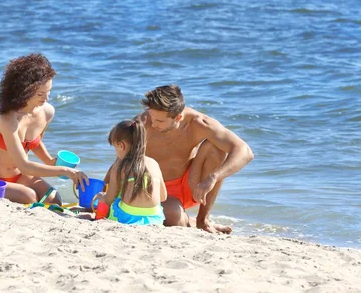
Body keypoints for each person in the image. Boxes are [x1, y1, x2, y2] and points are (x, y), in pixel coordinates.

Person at [0, 53, 88, 204]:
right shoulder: (7, 119)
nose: (46, 99)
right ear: (24, 90)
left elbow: (34, 141)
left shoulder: (47, 112)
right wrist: (65, 171)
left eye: (48, 92)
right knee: (29, 197)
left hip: (18, 176)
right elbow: (24, 166)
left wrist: (50, 161)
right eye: (40, 94)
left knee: (54, 200)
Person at [137, 84, 253, 233]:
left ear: (178, 117)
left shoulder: (198, 123)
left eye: (159, 121)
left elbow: (245, 151)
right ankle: (189, 220)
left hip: (191, 185)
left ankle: (203, 220)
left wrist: (212, 178)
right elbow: (122, 160)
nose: (153, 123)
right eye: (152, 116)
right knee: (175, 219)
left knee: (215, 147)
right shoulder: (143, 123)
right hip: (156, 188)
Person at [98, 119, 166, 225]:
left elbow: (109, 199)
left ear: (121, 145)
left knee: (112, 203)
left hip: (127, 216)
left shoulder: (119, 166)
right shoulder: (154, 163)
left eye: (115, 147)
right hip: (155, 218)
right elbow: (163, 197)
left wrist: (102, 197)